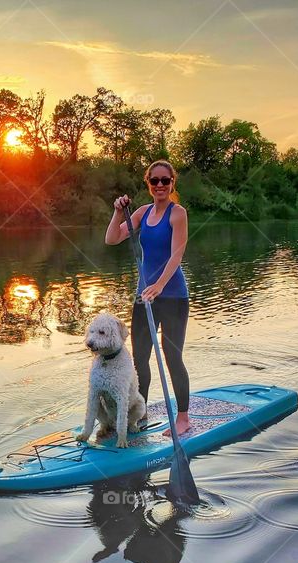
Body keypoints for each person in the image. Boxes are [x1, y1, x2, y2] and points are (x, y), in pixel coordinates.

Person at [105, 160, 191, 437]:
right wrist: (118, 212)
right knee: (140, 359)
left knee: (172, 357)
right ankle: (139, 414)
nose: (160, 185)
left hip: (173, 296)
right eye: (155, 181)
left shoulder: (178, 214)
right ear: (149, 183)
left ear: (172, 183)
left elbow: (177, 255)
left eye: (165, 180)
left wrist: (158, 285)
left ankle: (183, 418)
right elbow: (112, 239)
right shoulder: (142, 212)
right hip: (145, 297)